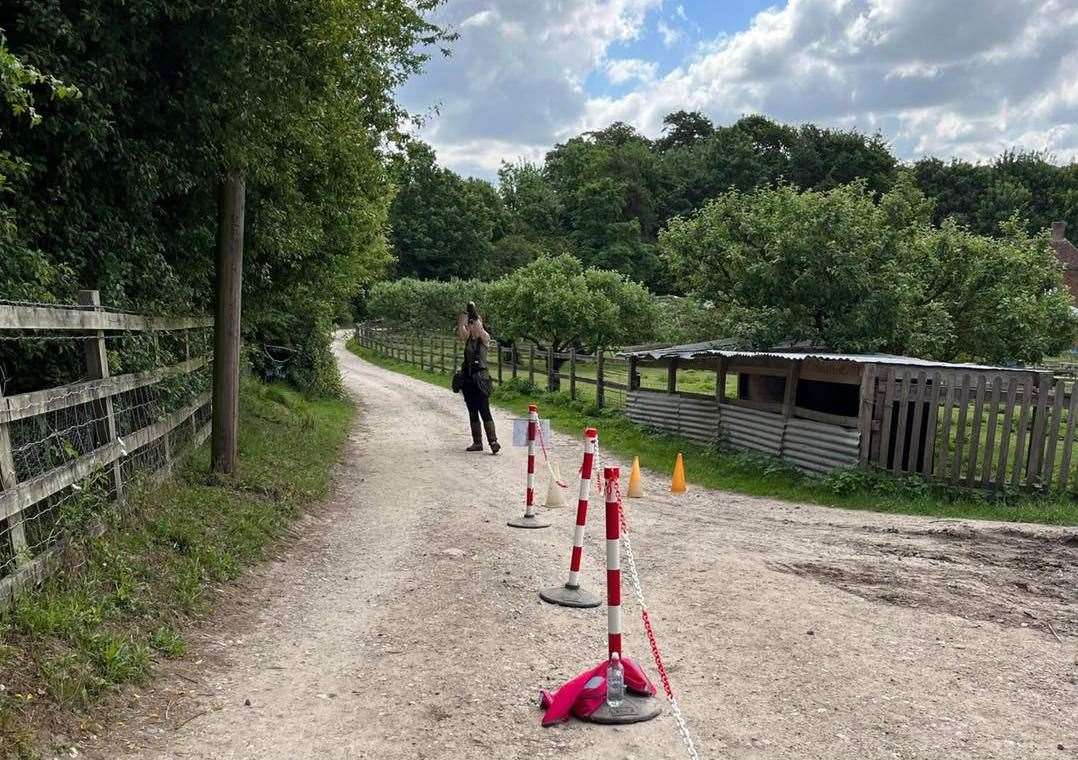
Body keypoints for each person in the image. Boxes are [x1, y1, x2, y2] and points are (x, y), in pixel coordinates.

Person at [456, 302, 500, 454]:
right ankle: (477, 442)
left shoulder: (484, 338)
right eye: (471, 324)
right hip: (468, 379)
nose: (472, 325)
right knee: (472, 410)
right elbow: (461, 330)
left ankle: (493, 441)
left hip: (481, 378)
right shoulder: (468, 338)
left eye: (474, 323)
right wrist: (463, 318)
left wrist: (473, 313)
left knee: (484, 410)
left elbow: (480, 328)